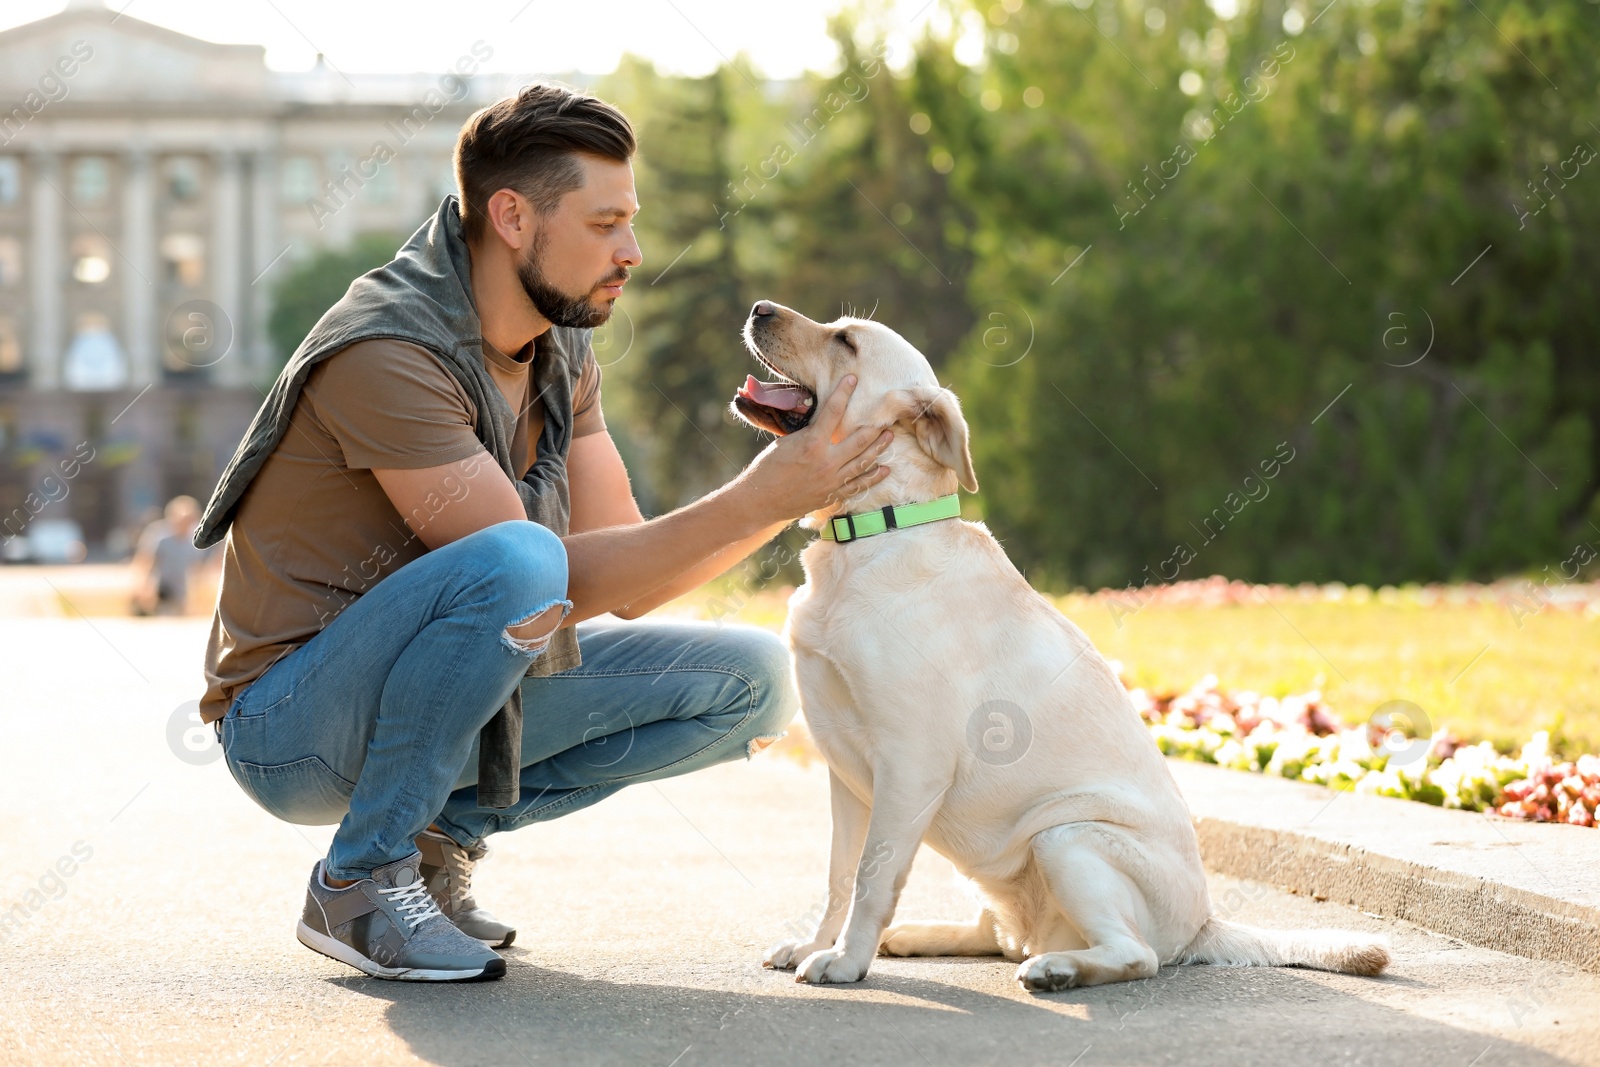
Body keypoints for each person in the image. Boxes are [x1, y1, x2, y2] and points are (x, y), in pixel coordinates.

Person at [191, 84, 894, 982]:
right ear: (513, 216)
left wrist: (787, 493)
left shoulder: (563, 351)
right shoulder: (388, 350)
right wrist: (762, 495)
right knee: (522, 555)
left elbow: (631, 575)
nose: (632, 252)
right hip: (290, 724)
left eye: (630, 222)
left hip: (440, 686)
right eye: (605, 225)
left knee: (750, 684)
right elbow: (542, 578)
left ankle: (438, 845)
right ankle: (361, 881)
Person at [131, 495, 213, 615]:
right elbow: (145, 560)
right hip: (161, 590)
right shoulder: (159, 535)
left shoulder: (194, 539)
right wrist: (144, 587)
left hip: (181, 592)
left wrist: (197, 596)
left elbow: (197, 568)